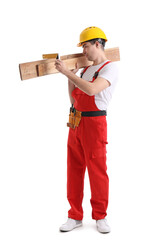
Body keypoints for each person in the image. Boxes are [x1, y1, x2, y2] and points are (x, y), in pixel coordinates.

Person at [55, 26, 118, 233]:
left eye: (86, 46)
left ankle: (100, 216)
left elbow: (91, 90)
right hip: (76, 121)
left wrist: (65, 71)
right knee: (73, 170)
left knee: (97, 171)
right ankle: (74, 216)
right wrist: (69, 77)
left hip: (94, 124)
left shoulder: (110, 68)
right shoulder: (85, 70)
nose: (84, 51)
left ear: (97, 44)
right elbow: (74, 98)